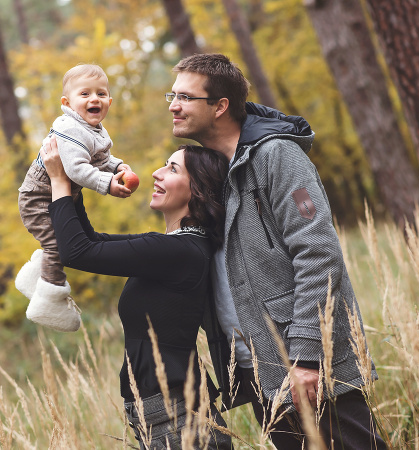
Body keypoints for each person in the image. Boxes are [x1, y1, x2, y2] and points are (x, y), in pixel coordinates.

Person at [167, 53, 387, 449]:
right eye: (172, 95)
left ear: (220, 107)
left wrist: (306, 357)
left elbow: (319, 255)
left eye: (185, 97)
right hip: (258, 365)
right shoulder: (214, 170)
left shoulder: (276, 156)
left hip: (304, 359)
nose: (173, 105)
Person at [42, 136, 232, 450]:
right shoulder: (177, 247)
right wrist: (75, 183)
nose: (156, 173)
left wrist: (59, 181)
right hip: (165, 415)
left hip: (178, 419)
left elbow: (76, 252)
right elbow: (92, 241)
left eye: (171, 169)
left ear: (196, 189)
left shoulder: (179, 251)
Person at [15, 64, 133, 332]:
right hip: (38, 199)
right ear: (67, 103)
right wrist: (108, 184)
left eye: (101, 94)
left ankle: (35, 279)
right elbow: (76, 169)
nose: (95, 99)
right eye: (85, 94)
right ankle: (50, 301)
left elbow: (101, 158)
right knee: (58, 245)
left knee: (62, 244)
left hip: (56, 197)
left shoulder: (95, 129)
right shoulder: (69, 128)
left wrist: (116, 167)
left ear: (110, 101)